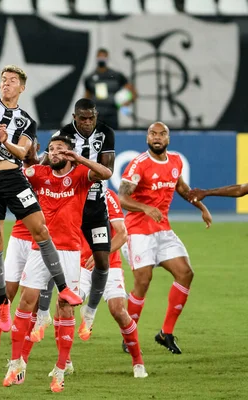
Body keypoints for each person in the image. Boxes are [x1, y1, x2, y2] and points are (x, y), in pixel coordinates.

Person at [0, 65, 82, 335]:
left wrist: (5, 143)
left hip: (13, 178)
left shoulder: (26, 120)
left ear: (22, 87)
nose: (6, 84)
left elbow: (24, 151)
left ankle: (63, 288)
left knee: (41, 229)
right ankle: (3, 301)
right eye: (3, 80)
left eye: (12, 81)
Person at [4, 135, 112, 391]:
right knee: (25, 302)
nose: (54, 153)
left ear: (70, 153)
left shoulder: (81, 175)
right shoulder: (39, 173)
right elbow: (14, 174)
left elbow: (106, 173)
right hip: (40, 248)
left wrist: (79, 158)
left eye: (60, 149)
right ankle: (16, 363)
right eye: (51, 149)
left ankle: (61, 370)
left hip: (70, 251)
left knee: (65, 306)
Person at [119, 121, 212, 354]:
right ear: (147, 138)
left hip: (162, 230)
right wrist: (145, 208)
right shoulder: (139, 164)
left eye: (162, 134)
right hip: (138, 230)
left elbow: (181, 188)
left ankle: (165, 333)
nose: (157, 137)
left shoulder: (175, 162)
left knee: (186, 273)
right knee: (143, 280)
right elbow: (122, 197)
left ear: (168, 139)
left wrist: (202, 207)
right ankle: (129, 335)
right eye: (153, 134)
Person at [41, 98, 115, 342]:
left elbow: (106, 170)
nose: (86, 122)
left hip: (94, 205)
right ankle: (42, 313)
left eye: (90, 118)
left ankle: (90, 312)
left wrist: (78, 159)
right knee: (52, 262)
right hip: (68, 204)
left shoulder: (106, 133)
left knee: (103, 262)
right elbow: (47, 163)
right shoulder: (61, 134)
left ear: (95, 116)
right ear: (74, 117)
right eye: (82, 118)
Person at [0, 140, 48, 365]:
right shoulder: (13, 172)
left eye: (30, 146)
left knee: (32, 298)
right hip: (19, 237)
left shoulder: (49, 169)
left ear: (36, 147)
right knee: (6, 293)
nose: (25, 151)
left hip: (42, 240)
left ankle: (22, 355)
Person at [79, 188, 148, 378]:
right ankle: (64, 364)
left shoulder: (107, 196)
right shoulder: (70, 191)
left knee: (118, 310)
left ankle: (138, 363)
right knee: (65, 305)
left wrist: (102, 253)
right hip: (79, 263)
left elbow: (122, 234)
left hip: (110, 262)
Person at [84, 48, 136, 129]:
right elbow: (87, 96)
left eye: (103, 57)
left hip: (111, 115)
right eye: (99, 57)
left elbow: (133, 92)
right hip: (96, 116)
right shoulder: (90, 78)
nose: (101, 59)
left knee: (112, 138)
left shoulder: (116, 76)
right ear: (96, 58)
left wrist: (126, 103)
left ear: (107, 58)